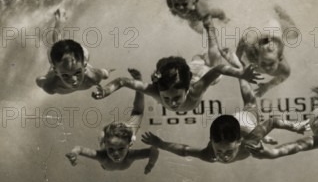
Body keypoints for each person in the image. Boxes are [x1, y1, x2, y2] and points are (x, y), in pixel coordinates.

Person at [141, 51, 308, 163]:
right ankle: (237, 67)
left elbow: (273, 121)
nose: (223, 157)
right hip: (239, 129)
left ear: (239, 142)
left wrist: (294, 126)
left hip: (243, 124)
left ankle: (238, 66)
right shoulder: (212, 152)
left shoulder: (250, 141)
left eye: (227, 152)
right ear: (212, 142)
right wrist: (160, 143)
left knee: (251, 103)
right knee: (250, 105)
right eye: (220, 152)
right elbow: (185, 151)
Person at [91, 17, 261, 112]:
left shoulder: (196, 90)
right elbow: (122, 81)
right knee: (200, 59)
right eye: (167, 99)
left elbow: (218, 69)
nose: (172, 103)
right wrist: (106, 90)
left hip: (200, 71)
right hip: (190, 67)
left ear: (187, 90)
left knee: (214, 63)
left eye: (176, 98)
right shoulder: (157, 91)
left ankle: (210, 27)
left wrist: (241, 73)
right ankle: (207, 37)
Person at [65, 69, 159, 173]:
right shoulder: (104, 156)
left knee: (137, 113)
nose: (116, 154)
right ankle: (138, 82)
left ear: (130, 144)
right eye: (111, 150)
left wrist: (150, 165)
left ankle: (138, 81)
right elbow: (79, 149)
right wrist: (74, 153)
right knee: (137, 113)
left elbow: (153, 152)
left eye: (121, 149)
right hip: (112, 136)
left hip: (118, 133)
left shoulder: (124, 155)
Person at [36, 8, 112, 94]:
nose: (74, 81)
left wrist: (107, 75)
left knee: (58, 43)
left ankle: (60, 18)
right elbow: (39, 80)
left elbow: (105, 73)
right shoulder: (50, 85)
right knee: (57, 44)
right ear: (56, 72)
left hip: (83, 54)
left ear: (84, 65)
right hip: (62, 63)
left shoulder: (93, 77)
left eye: (78, 73)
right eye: (65, 76)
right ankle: (60, 18)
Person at [236, 5, 298, 96]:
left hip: (271, 32)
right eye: (263, 63)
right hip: (265, 33)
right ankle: (273, 10)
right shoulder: (251, 53)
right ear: (257, 59)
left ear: (280, 59)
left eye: (271, 63)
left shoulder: (283, 68)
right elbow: (243, 41)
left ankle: (280, 11)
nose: (267, 67)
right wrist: (239, 63)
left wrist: (267, 87)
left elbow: (284, 75)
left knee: (294, 33)